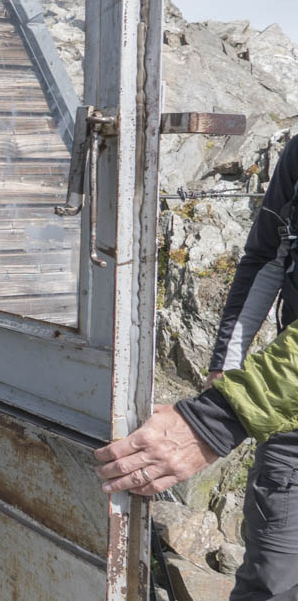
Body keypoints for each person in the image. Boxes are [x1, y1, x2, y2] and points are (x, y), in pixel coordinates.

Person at [95, 135, 298, 601]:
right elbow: (265, 256)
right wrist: (224, 370)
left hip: (275, 401)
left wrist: (215, 421)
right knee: (271, 585)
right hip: (291, 428)